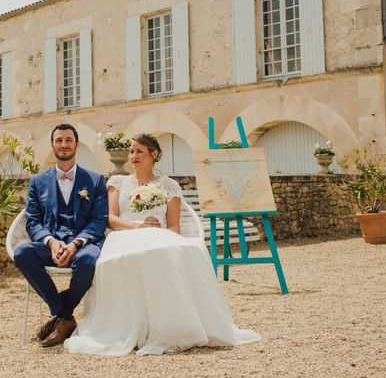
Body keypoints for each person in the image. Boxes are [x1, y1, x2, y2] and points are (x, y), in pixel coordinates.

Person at [64, 133, 260, 356]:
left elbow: (174, 226)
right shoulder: (117, 182)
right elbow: (110, 218)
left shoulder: (169, 185)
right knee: (134, 253)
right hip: (125, 233)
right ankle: (136, 326)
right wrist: (137, 227)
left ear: (154, 154)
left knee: (175, 250)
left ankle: (174, 324)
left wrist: (159, 234)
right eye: (132, 151)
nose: (134, 156)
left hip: (160, 233)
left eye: (139, 151)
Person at [13, 124, 108, 347]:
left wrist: (75, 244)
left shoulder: (94, 180)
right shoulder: (38, 181)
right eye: (59, 140)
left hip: (83, 244)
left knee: (88, 260)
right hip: (51, 244)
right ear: (53, 145)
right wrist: (52, 242)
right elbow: (33, 221)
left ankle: (60, 316)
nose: (63, 145)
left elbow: (99, 220)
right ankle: (66, 317)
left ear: (76, 144)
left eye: (68, 140)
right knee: (23, 253)